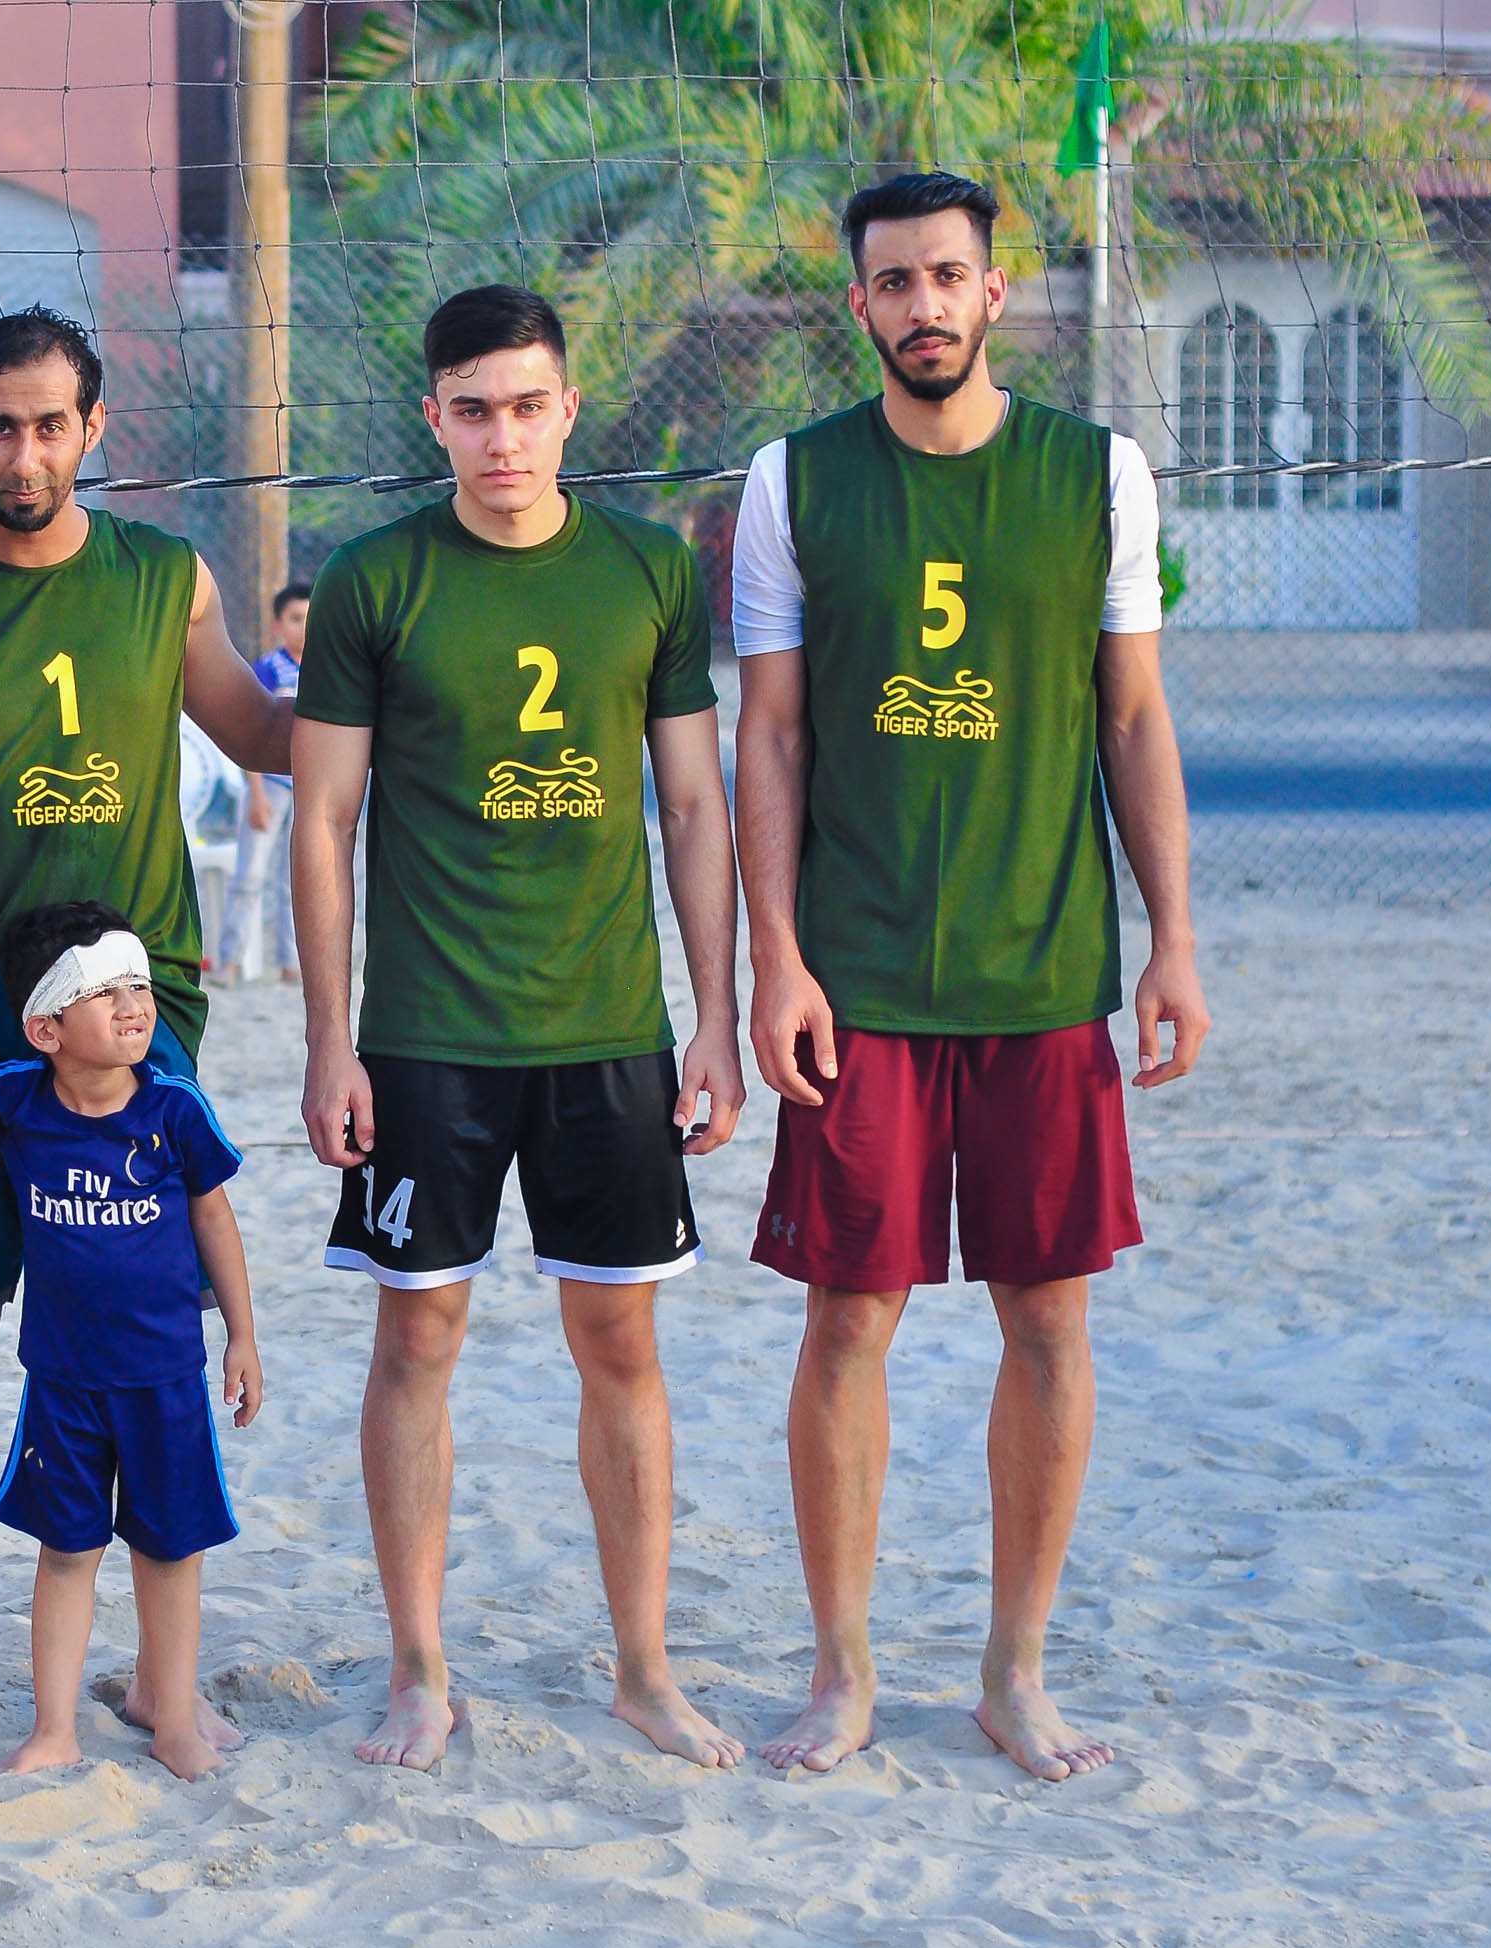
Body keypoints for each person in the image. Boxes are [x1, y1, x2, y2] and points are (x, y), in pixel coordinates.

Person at [732, 172, 1207, 1781]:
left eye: (948, 276)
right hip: (858, 979)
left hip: (1044, 971)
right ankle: (844, 1669)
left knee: (1048, 1318)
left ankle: (1015, 1668)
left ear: (998, 292)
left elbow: (1132, 718)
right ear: (857, 303)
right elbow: (770, 735)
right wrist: (776, 960)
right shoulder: (796, 481)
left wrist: (1173, 940)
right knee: (847, 1316)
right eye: (894, 282)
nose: (923, 305)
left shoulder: (1099, 474)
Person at [0, 305, 292, 1764]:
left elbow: (265, 735)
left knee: (151, 1352)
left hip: (134, 1021)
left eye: (50, 425)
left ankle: (162, 1681)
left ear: (95, 430)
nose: (25, 454)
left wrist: (405, 673)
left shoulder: (165, 579)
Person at [293, 284, 749, 1774]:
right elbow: (325, 822)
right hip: (427, 1035)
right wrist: (329, 1040)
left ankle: (645, 1668)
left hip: (608, 1029)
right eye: (474, 411)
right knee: (417, 1333)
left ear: (570, 409)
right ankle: (419, 1670)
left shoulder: (647, 570)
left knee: (619, 1339)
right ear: (434, 418)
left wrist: (717, 1019)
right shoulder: (375, 581)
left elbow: (695, 805)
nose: (504, 437)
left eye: (528, 407)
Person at [0, 901, 261, 1785]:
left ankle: (175, 1720)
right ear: (46, 1027)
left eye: (139, 985)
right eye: (105, 991)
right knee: (67, 1551)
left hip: (166, 1379)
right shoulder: (18, 1096)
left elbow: (215, 1216)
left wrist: (241, 1335)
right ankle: (54, 1729)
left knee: (170, 1551)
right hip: (63, 1383)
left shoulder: (173, 1108)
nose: (134, 1005)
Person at [215, 581, 308, 985]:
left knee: (297, 879)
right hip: (269, 786)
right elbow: (252, 732)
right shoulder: (268, 669)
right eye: (295, 619)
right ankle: (230, 961)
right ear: (277, 626)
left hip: (308, 788)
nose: (304, 627)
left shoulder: (327, 668)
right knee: (250, 875)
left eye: (312, 618)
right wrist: (255, 795)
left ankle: (292, 963)